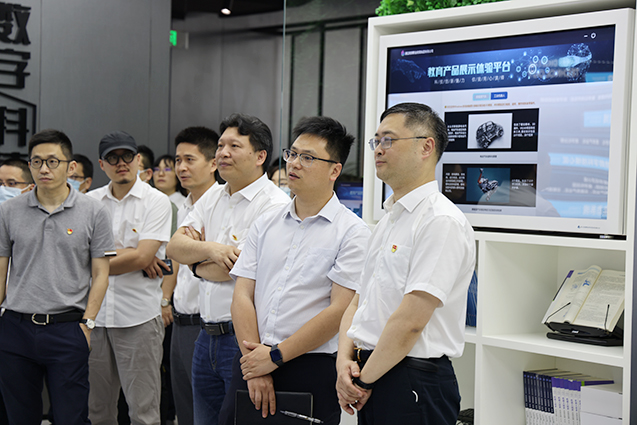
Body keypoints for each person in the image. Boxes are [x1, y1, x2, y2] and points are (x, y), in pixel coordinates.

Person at [218, 116, 370, 425]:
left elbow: (339, 311)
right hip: (251, 357)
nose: (294, 164)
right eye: (293, 154)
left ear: (334, 170)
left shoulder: (353, 233)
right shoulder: (266, 223)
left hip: (309, 366)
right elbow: (242, 294)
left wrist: (274, 357)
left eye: (308, 158)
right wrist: (255, 364)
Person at [335, 103, 476, 425]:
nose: (378, 149)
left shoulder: (440, 220)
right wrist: (343, 361)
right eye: (376, 141)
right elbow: (358, 301)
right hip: (371, 372)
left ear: (426, 147)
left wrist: (363, 381)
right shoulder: (388, 220)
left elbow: (411, 319)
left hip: (412, 378)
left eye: (388, 140)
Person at [166, 113, 290, 425]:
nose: (223, 153)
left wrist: (195, 264)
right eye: (221, 145)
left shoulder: (273, 204)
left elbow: (236, 270)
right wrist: (213, 250)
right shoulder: (213, 196)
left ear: (260, 156)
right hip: (205, 336)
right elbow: (175, 248)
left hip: (243, 340)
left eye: (234, 146)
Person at [0, 129, 113, 425]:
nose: (44, 169)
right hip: (15, 328)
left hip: (67, 328)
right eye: (36, 162)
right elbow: (1, 269)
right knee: (18, 417)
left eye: (52, 161)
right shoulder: (9, 211)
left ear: (70, 166)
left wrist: (88, 324)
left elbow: (101, 273)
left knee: (71, 417)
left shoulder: (94, 211)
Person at [87, 131, 173, 425]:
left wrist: (103, 258)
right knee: (97, 411)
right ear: (102, 164)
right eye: (112, 158)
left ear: (138, 160)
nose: (120, 163)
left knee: (144, 412)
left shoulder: (156, 201)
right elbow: (76, 257)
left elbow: (142, 257)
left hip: (139, 318)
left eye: (126, 156)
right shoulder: (89, 202)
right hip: (94, 318)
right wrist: (132, 254)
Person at [165, 126, 222, 425]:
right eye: (178, 160)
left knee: (208, 414)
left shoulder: (221, 204)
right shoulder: (184, 205)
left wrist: (196, 255)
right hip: (180, 321)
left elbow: (225, 261)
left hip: (208, 324)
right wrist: (166, 299)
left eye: (190, 159)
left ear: (213, 163)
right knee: (185, 411)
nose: (181, 168)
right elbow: (177, 255)